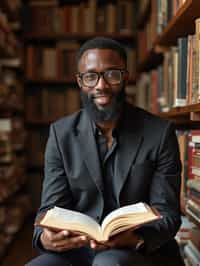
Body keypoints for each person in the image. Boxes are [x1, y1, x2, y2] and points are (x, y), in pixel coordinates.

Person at [26, 37, 184, 266]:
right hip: (77, 249)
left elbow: (167, 213)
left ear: (125, 77)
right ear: (80, 82)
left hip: (138, 250)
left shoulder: (160, 133)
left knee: (109, 263)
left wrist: (137, 238)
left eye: (112, 74)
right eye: (91, 76)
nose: (101, 85)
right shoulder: (61, 134)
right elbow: (50, 208)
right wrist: (46, 238)